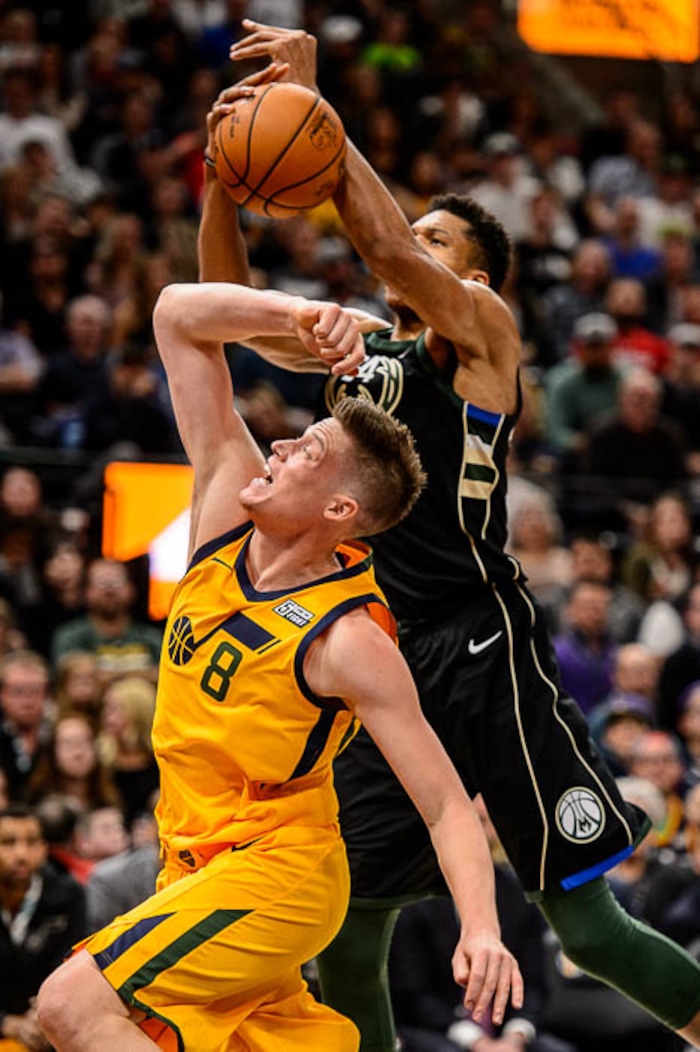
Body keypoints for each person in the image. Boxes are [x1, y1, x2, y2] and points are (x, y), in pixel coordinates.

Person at [216, 22, 700, 1051]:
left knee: (591, 927)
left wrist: (316, 111)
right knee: (349, 925)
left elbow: (383, 244)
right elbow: (233, 323)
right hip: (388, 656)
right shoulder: (370, 355)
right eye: (422, 233)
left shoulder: (484, 332)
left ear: (476, 271)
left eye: (443, 239)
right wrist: (223, 184)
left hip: (486, 644)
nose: (414, 246)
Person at [36, 279, 522, 1051]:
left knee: (68, 1008)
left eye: (311, 450)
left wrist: (483, 930)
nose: (285, 443)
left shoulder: (350, 638)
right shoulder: (226, 506)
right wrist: (298, 317)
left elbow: (446, 806)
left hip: (279, 870)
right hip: (190, 861)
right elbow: (175, 317)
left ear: (339, 513)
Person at [0, 803, 86, 1052]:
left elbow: (72, 965)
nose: (21, 854)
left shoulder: (68, 894)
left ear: (45, 848)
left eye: (32, 842)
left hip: (47, 1023)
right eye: (8, 842)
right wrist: (7, 1023)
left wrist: (42, 1015)